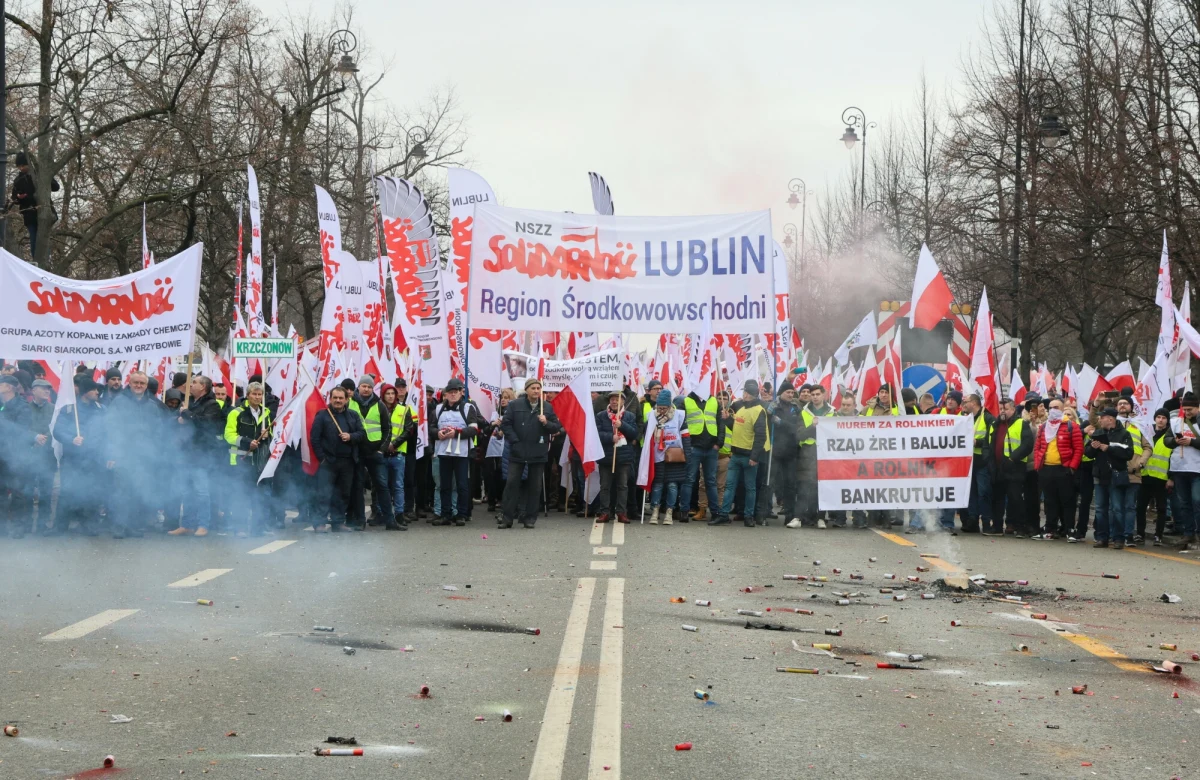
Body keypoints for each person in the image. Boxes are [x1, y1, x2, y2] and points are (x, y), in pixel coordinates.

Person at [105, 371, 165, 538]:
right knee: (122, 492)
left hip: (144, 457)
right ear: (129, 383)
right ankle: (119, 527)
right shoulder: (119, 402)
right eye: (136, 382)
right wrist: (112, 454)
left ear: (146, 386)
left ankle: (133, 526)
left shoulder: (152, 406)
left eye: (142, 383)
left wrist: (154, 451)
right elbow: (111, 429)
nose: (139, 386)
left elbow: (158, 431)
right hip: (123, 455)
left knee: (139, 492)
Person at [500, 378, 561, 529]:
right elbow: (506, 424)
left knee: (535, 487)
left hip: (538, 452)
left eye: (538, 388)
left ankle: (530, 518)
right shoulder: (515, 405)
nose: (536, 391)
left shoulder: (546, 407)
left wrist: (546, 422)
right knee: (512, 484)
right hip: (518, 452)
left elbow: (556, 428)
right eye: (533, 388)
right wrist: (515, 442)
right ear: (526, 390)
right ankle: (507, 518)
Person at [50, 378, 105, 535]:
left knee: (92, 492)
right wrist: (71, 439)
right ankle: (60, 525)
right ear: (84, 391)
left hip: (94, 459)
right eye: (93, 389)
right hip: (73, 459)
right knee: (68, 491)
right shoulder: (68, 410)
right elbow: (57, 430)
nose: (97, 392)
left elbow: (108, 434)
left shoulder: (102, 409)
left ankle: (89, 525)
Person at [710, 380, 769, 528]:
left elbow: (760, 436)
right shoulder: (742, 409)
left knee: (750, 488)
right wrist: (727, 419)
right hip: (735, 454)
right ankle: (724, 515)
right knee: (730, 486)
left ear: (748, 394)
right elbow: (736, 427)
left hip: (749, 456)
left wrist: (755, 457)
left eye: (744, 392)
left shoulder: (759, 411)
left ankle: (749, 516)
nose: (743, 395)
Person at [172, 375, 224, 537]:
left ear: (203, 387)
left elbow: (206, 424)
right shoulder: (188, 403)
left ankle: (203, 524)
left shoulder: (212, 405)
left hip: (202, 453)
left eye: (194, 382)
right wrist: (179, 418)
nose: (191, 385)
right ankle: (187, 524)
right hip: (186, 452)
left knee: (201, 490)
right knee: (187, 490)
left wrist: (187, 415)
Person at [430, 378, 484, 527]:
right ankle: (445, 514)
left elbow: (474, 429)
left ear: (461, 393)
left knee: (462, 484)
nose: (453, 395)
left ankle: (461, 514)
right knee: (445, 484)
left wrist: (456, 433)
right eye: (450, 393)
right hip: (444, 452)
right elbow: (431, 428)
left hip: (462, 453)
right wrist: (438, 433)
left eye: (456, 392)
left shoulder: (468, 408)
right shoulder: (439, 408)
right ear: (445, 394)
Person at [310, 386, 365, 532]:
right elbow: (314, 439)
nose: (338, 401)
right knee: (323, 493)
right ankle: (320, 523)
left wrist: (351, 436)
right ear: (330, 398)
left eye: (341, 398)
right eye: (335, 398)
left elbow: (362, 433)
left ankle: (338, 522)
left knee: (343, 494)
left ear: (347, 399)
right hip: (328, 462)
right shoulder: (322, 415)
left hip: (347, 462)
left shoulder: (353, 415)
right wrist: (322, 458)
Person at [348, 375, 399, 530]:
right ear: (359, 387)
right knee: (357, 487)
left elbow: (387, 429)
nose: (366, 389)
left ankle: (390, 520)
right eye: (364, 386)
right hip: (357, 452)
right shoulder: (349, 404)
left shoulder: (380, 405)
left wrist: (381, 450)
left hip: (375, 453)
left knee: (382, 486)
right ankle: (360, 521)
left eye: (369, 387)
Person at [224, 381, 272, 537]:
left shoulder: (266, 412)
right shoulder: (236, 412)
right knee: (241, 495)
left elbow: (270, 436)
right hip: (241, 461)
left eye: (260, 394)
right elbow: (229, 435)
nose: (257, 397)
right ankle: (241, 528)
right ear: (248, 395)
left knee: (260, 495)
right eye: (254, 394)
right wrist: (246, 442)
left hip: (260, 461)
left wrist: (267, 434)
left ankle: (259, 527)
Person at [1032, 398, 1084, 541]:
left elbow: (1078, 449)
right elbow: (1038, 447)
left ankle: (1069, 529)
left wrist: (1072, 467)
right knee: (1050, 501)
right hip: (1046, 469)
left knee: (1067, 501)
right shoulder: (1043, 427)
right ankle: (1050, 528)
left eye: (1056, 407)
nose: (1053, 409)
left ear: (1062, 409)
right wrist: (1038, 465)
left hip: (1064, 470)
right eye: (1051, 407)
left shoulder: (1071, 426)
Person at [1088, 407, 1135, 549]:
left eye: (1102, 417)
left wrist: (1109, 448)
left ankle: (1118, 538)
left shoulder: (1124, 434)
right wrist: (1093, 447)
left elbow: (1129, 454)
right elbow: (1088, 453)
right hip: (1100, 475)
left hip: (1116, 475)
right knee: (1100, 509)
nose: (1099, 420)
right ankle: (1102, 537)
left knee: (1117, 508)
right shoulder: (1098, 433)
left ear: (1110, 419)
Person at [989, 396, 1034, 536]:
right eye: (1001, 408)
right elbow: (988, 444)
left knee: (1015, 499)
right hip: (997, 468)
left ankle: (1020, 527)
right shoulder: (994, 425)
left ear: (1013, 409)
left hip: (1014, 468)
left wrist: (1012, 459)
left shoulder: (1021, 424)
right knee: (997, 499)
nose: (1003, 411)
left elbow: (1027, 445)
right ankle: (996, 526)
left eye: (1006, 409)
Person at [679, 387, 723, 523]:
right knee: (689, 480)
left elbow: (720, 423)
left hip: (711, 448)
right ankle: (684, 511)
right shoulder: (686, 401)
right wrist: (687, 444)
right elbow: (681, 423)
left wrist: (719, 443)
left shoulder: (714, 401)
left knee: (711, 481)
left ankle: (715, 512)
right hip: (693, 447)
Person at [647, 389, 690, 525]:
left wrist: (687, 455)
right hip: (658, 455)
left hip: (674, 456)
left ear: (670, 406)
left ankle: (669, 511)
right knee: (658, 484)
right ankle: (655, 510)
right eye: (659, 408)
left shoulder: (680, 416)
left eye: (664, 408)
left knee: (672, 485)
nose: (662, 411)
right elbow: (646, 435)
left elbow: (685, 437)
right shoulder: (651, 416)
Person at [595, 389, 638, 524]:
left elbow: (634, 433)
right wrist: (610, 437)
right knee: (605, 486)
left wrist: (622, 425)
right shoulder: (602, 416)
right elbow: (596, 434)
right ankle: (605, 512)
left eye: (617, 399)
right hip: (606, 456)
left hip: (624, 457)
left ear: (623, 401)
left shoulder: (629, 416)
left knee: (622, 486)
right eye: (612, 399)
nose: (614, 401)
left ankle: (621, 512)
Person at [8, 151, 59, 257]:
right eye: (19, 166)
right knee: (34, 239)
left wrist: (45, 179)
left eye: (23, 165)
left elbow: (56, 187)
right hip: (29, 213)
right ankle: (37, 260)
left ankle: (46, 260)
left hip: (44, 210)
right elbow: (14, 198)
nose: (21, 168)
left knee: (43, 240)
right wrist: (18, 197)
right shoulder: (18, 180)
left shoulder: (39, 173)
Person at [1115, 396, 1151, 546]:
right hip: (1116, 470)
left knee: (1130, 506)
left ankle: (1128, 534)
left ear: (1131, 406)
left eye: (1126, 403)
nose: (1123, 406)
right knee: (1116, 507)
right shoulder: (1113, 422)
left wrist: (1140, 463)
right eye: (1120, 403)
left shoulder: (1140, 423)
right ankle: (1116, 535)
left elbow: (1147, 447)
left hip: (1134, 471)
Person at [0, 375, 32, 537]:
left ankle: (20, 526)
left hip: (16, 457)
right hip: (1, 456)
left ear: (9, 387)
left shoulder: (23, 407)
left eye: (1, 384)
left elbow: (21, 431)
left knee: (18, 492)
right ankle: (2, 526)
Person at [1137, 408, 1175, 546]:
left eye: (1164, 417)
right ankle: (1140, 534)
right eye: (1158, 417)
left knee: (1162, 508)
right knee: (1140, 507)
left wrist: (1171, 477)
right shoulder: (1147, 433)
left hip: (1161, 477)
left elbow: (1173, 458)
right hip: (1145, 475)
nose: (1160, 420)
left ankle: (1158, 535)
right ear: (1154, 418)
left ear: (1167, 420)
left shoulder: (1170, 436)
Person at [24, 378, 57, 534]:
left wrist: (45, 438)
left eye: (48, 389)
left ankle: (44, 523)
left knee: (46, 491)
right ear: (33, 390)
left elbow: (57, 429)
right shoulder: (25, 408)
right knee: (27, 490)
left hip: (47, 455)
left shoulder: (53, 409)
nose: (47, 391)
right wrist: (34, 437)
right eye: (43, 388)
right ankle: (27, 522)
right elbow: (21, 427)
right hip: (29, 455)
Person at [1168, 392, 1200, 550]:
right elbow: (1167, 441)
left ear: (1197, 407)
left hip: (1197, 468)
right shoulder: (1175, 422)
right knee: (1184, 503)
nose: (1187, 412)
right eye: (1185, 409)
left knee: (1197, 500)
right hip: (1179, 468)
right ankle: (1189, 533)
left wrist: (1192, 442)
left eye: (1190, 409)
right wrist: (1175, 441)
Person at [958, 393, 994, 534]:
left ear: (974, 403)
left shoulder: (987, 417)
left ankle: (986, 522)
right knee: (970, 492)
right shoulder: (965, 418)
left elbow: (992, 438)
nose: (963, 404)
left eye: (965, 402)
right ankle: (972, 521)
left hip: (981, 461)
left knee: (983, 493)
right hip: (968, 460)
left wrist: (977, 442)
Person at [379, 383, 413, 530]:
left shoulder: (404, 409)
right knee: (383, 486)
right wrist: (384, 446)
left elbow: (408, 430)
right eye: (388, 393)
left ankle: (399, 514)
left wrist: (395, 444)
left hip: (398, 453)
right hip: (382, 453)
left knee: (398, 486)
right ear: (383, 395)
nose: (391, 396)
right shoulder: (378, 409)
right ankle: (384, 514)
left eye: (393, 393)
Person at [695, 389, 732, 523]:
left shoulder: (731, 416)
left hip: (724, 456)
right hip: (709, 453)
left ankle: (720, 511)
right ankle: (702, 510)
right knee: (703, 484)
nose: (721, 400)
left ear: (728, 401)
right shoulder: (712, 413)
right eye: (719, 397)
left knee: (720, 486)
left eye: (725, 398)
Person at [769, 381, 802, 526]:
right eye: (787, 392)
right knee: (770, 482)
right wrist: (769, 412)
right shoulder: (774, 406)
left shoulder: (796, 408)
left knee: (790, 483)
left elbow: (797, 428)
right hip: (775, 450)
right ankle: (764, 512)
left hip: (790, 450)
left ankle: (790, 515)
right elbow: (766, 422)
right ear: (781, 393)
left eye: (792, 392)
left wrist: (781, 423)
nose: (790, 394)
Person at [483, 389, 514, 513]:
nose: (504, 400)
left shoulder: (512, 413)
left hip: (505, 447)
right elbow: (487, 431)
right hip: (493, 448)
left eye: (507, 398)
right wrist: (493, 424)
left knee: (503, 475)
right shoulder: (495, 413)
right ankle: (492, 499)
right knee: (492, 474)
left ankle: (502, 499)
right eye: (502, 398)